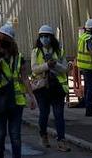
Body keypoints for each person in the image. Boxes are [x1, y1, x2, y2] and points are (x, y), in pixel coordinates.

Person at [0, 23, 29, 158]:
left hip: (16, 101)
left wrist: (32, 97)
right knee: (0, 134)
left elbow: (25, 78)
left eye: (4, 39)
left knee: (15, 135)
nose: (0, 41)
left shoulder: (19, 58)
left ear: (10, 41)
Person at [31, 24, 71, 152]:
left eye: (46, 36)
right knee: (44, 114)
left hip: (57, 87)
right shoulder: (36, 52)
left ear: (51, 37)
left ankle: (61, 140)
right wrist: (47, 65)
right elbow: (34, 69)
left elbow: (64, 69)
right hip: (42, 88)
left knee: (59, 114)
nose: (44, 39)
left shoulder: (59, 51)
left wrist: (55, 65)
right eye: (42, 36)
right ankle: (43, 135)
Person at [76, 18, 92, 116]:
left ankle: (86, 104)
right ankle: (89, 109)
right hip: (89, 66)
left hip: (83, 65)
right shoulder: (89, 39)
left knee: (87, 87)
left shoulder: (82, 37)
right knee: (91, 87)